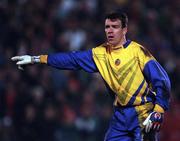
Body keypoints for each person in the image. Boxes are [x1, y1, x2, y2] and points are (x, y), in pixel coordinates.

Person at [11, 11, 171, 141]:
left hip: (142, 113)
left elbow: (162, 81)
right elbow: (71, 59)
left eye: (114, 27)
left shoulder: (138, 52)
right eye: (107, 27)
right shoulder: (100, 53)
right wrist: (37, 59)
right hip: (120, 116)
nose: (109, 30)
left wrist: (158, 110)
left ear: (125, 30)